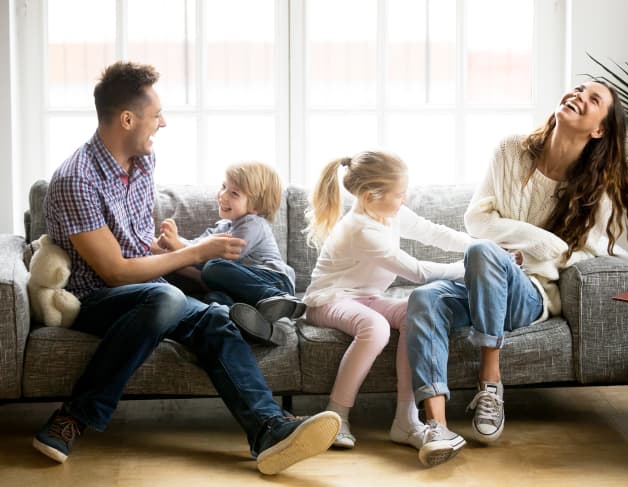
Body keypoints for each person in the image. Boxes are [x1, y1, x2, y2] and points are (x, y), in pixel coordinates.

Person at [32, 61, 340, 475]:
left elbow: (137, 244)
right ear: (127, 119)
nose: (163, 122)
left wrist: (168, 250)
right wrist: (196, 253)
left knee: (216, 319)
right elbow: (115, 273)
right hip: (95, 299)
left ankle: (268, 430)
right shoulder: (76, 180)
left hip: (152, 293)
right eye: (156, 115)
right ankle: (73, 416)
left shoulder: (141, 164)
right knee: (165, 295)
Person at [404, 80, 628, 466]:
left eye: (593, 99)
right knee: (424, 297)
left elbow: (593, 250)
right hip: (484, 283)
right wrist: (539, 240)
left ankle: (491, 383)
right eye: (579, 88)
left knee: (484, 253)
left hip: (531, 295)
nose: (579, 95)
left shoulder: (599, 188)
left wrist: (536, 256)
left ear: (600, 129)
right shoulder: (510, 150)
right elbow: (476, 218)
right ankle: (437, 427)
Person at [302, 150, 473, 463]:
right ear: (370, 197)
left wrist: (476, 245)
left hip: (365, 297)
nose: (404, 200)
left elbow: (432, 232)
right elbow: (418, 272)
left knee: (415, 313)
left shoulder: (389, 213)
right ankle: (336, 416)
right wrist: (469, 267)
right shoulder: (362, 230)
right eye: (399, 195)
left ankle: (406, 422)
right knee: (376, 327)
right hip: (329, 299)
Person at [157, 161, 305, 346]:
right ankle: (266, 330)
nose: (223, 196)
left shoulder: (253, 224)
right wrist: (170, 244)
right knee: (215, 301)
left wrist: (176, 244)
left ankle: (277, 298)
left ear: (256, 206)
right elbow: (197, 248)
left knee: (214, 268)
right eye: (224, 187)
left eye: (234, 193)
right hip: (246, 293)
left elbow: (214, 256)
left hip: (274, 281)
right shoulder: (223, 227)